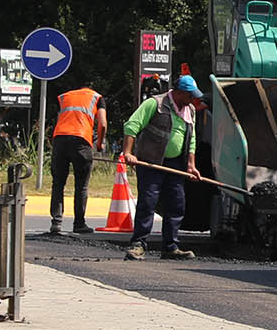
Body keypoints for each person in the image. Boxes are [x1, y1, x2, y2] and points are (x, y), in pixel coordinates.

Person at [119, 74, 205, 260]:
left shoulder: (190, 109)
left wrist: (191, 165)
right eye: (190, 95)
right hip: (151, 160)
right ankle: (138, 244)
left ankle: (170, 247)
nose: (193, 99)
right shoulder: (155, 104)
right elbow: (132, 126)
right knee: (148, 202)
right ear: (179, 93)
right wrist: (128, 153)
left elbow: (192, 139)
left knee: (176, 204)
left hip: (176, 163)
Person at [47, 79, 107, 236]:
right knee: (81, 185)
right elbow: (103, 124)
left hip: (59, 139)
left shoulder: (65, 96)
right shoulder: (97, 98)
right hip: (81, 140)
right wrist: (100, 144)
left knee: (58, 183)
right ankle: (79, 224)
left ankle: (56, 223)